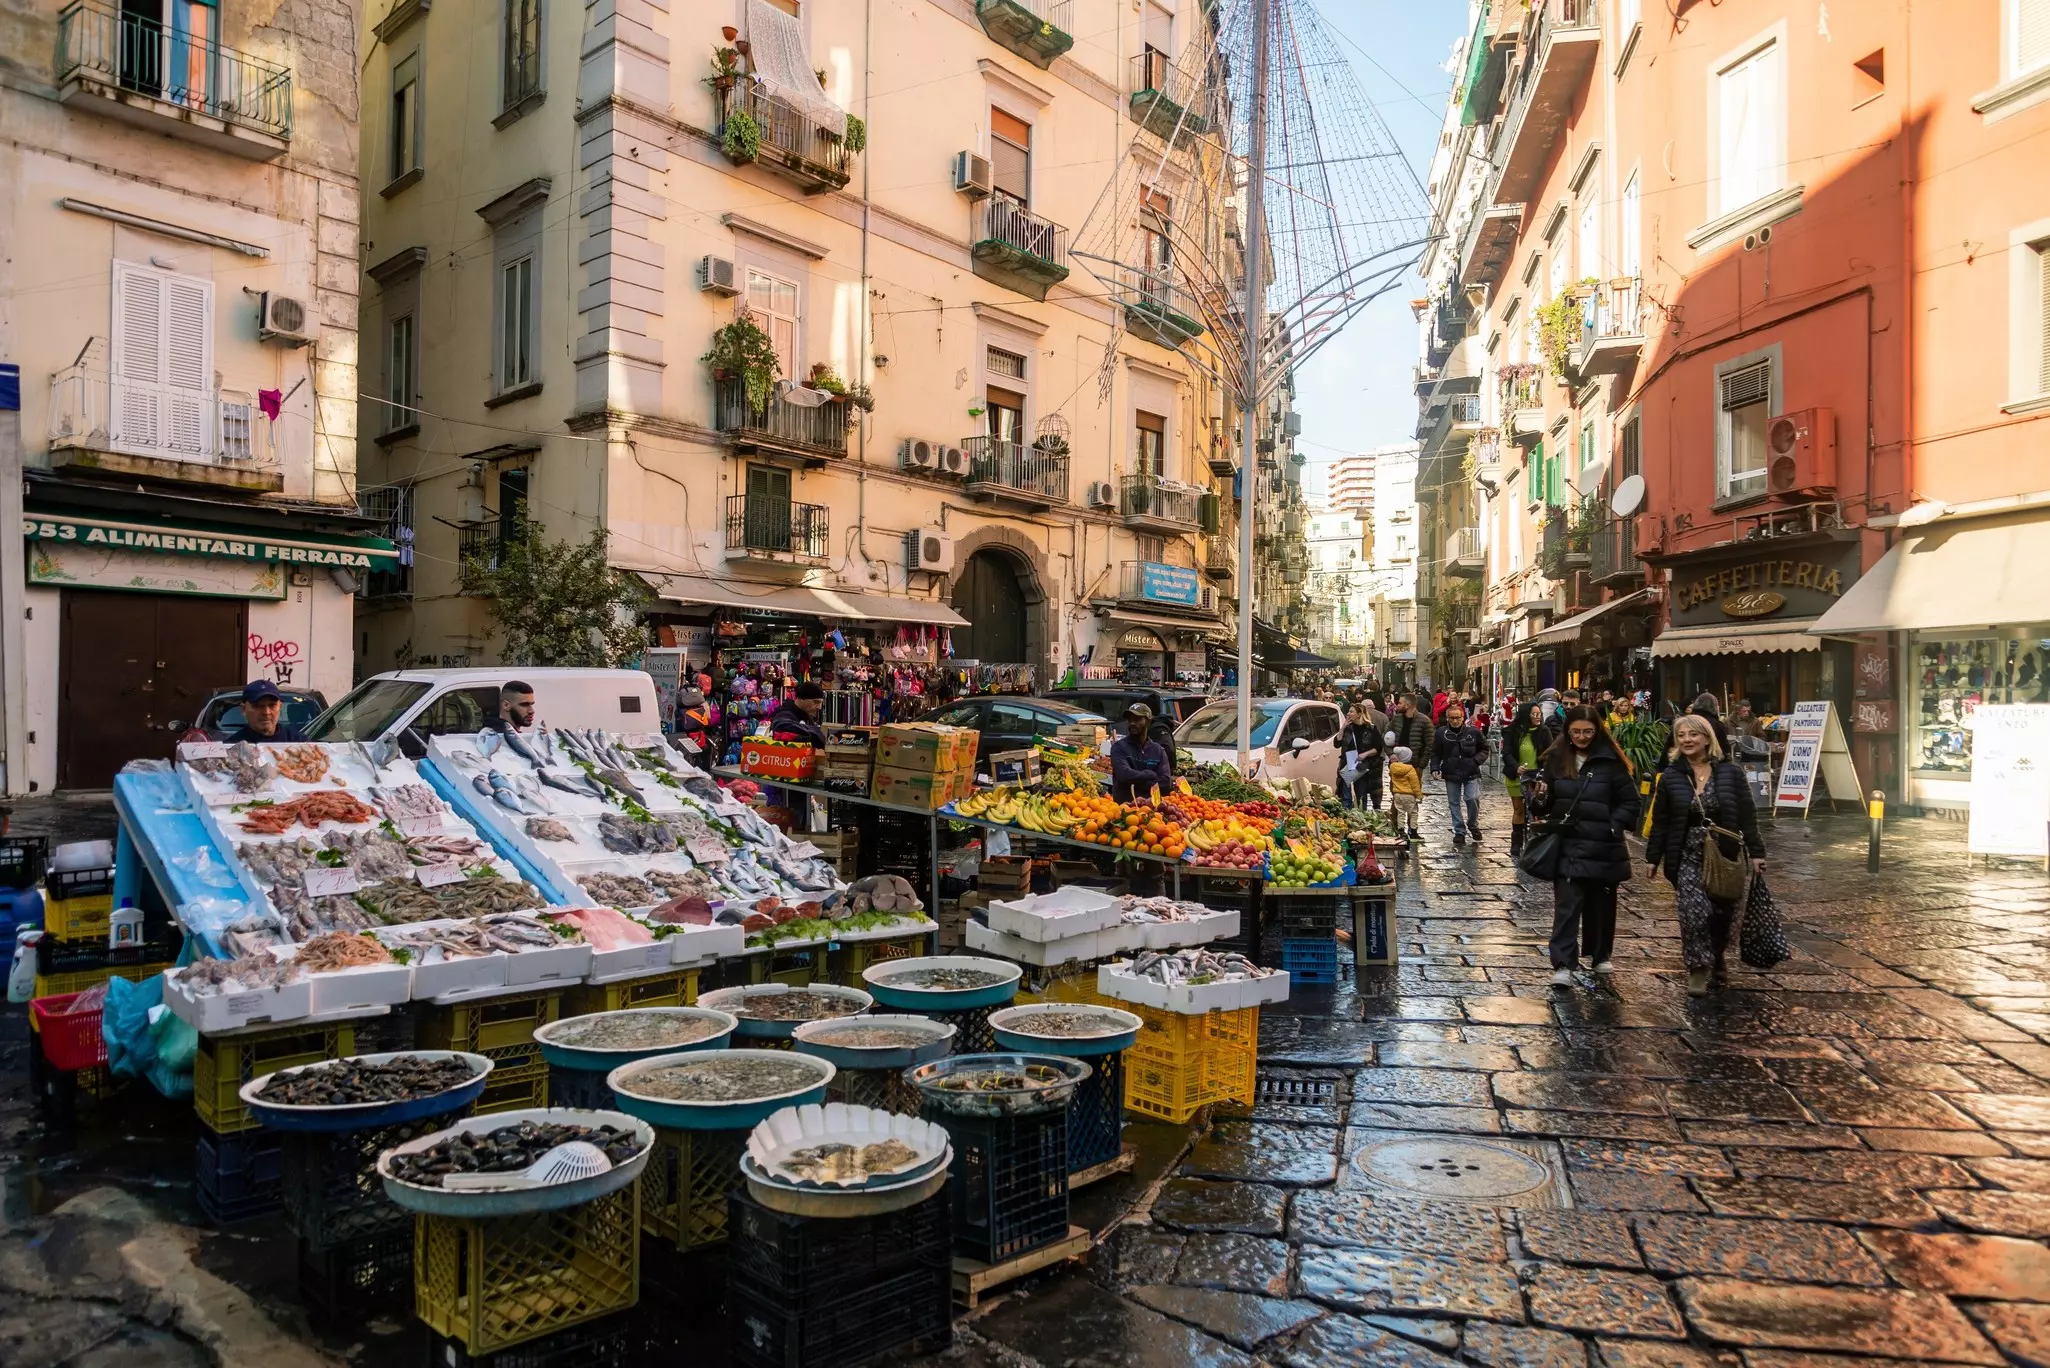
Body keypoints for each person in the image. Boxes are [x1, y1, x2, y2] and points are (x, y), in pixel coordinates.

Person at [1644, 713, 1767, 996]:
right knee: (1694, 913)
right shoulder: (1672, 776)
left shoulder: (1731, 773)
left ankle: (1718, 954)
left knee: (1721, 914)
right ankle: (1698, 969)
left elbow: (1747, 815)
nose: (1687, 740)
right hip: (1686, 853)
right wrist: (1653, 857)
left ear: (1707, 738)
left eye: (1693, 734)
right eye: (1681, 735)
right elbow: (1660, 820)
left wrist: (1757, 852)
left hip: (1725, 853)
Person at [1526, 705, 1640, 986]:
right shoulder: (1555, 760)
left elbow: (1631, 801)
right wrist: (1539, 799)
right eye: (1576, 731)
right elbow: (1545, 803)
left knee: (1601, 905)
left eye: (1587, 731)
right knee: (1567, 905)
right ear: (1567, 731)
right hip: (1568, 843)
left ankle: (1600, 954)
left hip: (1603, 845)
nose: (1581, 737)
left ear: (1597, 731)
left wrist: (1614, 825)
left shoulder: (1611, 762)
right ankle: (1563, 963)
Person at [1432, 701, 1487, 846]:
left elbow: (1484, 749)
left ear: (1463, 718)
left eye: (1457, 717)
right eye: (1452, 718)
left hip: (1471, 771)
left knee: (1472, 798)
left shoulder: (1473, 732)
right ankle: (1459, 831)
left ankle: (1473, 824)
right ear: (1447, 718)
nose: (1455, 721)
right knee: (1454, 803)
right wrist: (1434, 767)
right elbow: (1436, 753)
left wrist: (1475, 761)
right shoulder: (1441, 733)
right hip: (1451, 771)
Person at [1502, 701, 1547, 856]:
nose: (1538, 717)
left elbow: (1549, 753)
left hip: (1537, 776)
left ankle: (1536, 841)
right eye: (1534, 714)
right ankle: (1516, 842)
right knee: (1518, 809)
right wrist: (1516, 767)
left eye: (1539, 714)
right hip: (1516, 776)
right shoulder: (1512, 731)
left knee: (1536, 808)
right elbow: (1506, 753)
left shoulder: (1544, 731)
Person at [1110, 704, 1174, 802]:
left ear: (1148, 721)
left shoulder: (1158, 750)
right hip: (1124, 810)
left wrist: (1136, 784)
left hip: (1152, 810)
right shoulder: (1119, 747)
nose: (1132, 723)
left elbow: (1166, 783)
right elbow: (1124, 775)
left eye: (1137, 719)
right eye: (1130, 720)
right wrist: (1149, 774)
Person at [227, 679, 307, 743]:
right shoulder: (230, 748)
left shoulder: (301, 744)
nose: (266, 712)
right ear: (243, 709)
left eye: (272, 705)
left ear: (280, 706)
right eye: (258, 706)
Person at [1340, 705, 1384, 809]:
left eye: (1351, 712)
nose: (1348, 714)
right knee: (1346, 797)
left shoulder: (1371, 728)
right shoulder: (1348, 728)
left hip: (1362, 766)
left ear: (1359, 714)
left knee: (1361, 796)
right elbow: (1337, 743)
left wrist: (1365, 754)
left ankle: (1360, 816)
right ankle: (1347, 817)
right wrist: (1343, 727)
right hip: (1347, 764)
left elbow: (1377, 748)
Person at [769, 680, 830, 749]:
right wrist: (814, 731)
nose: (819, 707)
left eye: (821, 703)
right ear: (802, 698)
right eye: (816, 702)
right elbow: (780, 725)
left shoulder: (805, 715)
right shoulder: (785, 713)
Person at [1390, 693, 1434, 777]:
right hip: (1396, 764)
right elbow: (1386, 736)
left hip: (1414, 766)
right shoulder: (1396, 719)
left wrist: (1421, 766)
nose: (1397, 705)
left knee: (1414, 789)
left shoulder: (1425, 721)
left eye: (1400, 703)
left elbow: (1429, 745)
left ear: (1407, 705)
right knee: (1396, 789)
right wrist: (1391, 754)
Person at [1388, 746, 1423, 842]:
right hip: (1409, 795)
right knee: (1413, 813)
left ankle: (1401, 831)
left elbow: (1391, 775)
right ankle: (1413, 832)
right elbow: (1415, 784)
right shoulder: (1410, 769)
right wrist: (1419, 795)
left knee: (1400, 812)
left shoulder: (1392, 767)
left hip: (1397, 794)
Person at [674, 688, 716, 769]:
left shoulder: (682, 712)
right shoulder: (701, 707)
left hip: (687, 736)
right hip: (700, 738)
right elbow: (708, 719)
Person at [1688, 691, 1732, 756]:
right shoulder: (1717, 725)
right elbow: (1725, 750)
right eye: (1717, 705)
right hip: (1710, 761)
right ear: (1714, 707)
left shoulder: (1684, 721)